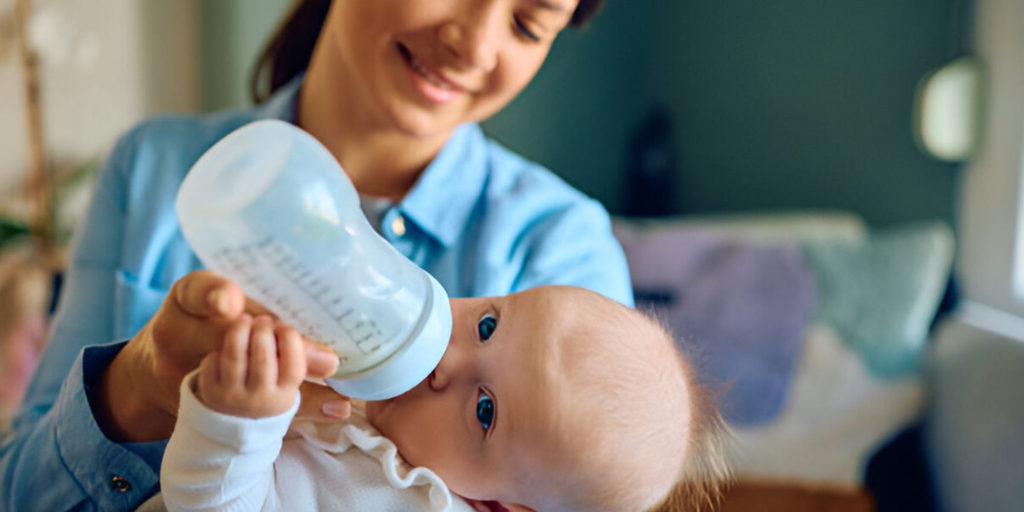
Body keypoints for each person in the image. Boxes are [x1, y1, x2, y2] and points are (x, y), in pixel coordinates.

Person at [0, 1, 635, 511]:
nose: (475, 45)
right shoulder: (154, 171)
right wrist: (137, 386)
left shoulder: (561, 250)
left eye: (528, 23)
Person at [161, 286, 729, 512]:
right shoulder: (384, 405)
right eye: (487, 324)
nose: (444, 366)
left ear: (502, 507)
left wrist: (237, 419)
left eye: (486, 411)